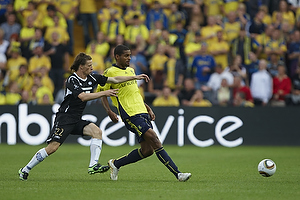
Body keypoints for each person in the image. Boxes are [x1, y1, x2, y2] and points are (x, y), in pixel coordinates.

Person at [18, 52, 150, 181]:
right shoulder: (72, 80)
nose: (92, 68)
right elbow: (83, 96)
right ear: (81, 67)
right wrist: (105, 92)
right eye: (89, 65)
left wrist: (135, 77)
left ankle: (93, 165)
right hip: (65, 118)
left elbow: (114, 79)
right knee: (52, 148)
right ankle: (25, 169)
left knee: (97, 132)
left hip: (76, 119)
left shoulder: (92, 78)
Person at [98, 44, 191, 182]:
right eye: (126, 55)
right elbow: (102, 93)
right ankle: (178, 174)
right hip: (129, 113)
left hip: (141, 111)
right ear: (117, 56)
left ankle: (115, 164)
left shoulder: (131, 71)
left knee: (147, 150)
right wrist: (109, 111)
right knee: (154, 138)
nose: (129, 58)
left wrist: (147, 108)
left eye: (130, 55)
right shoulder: (110, 72)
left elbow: (133, 93)